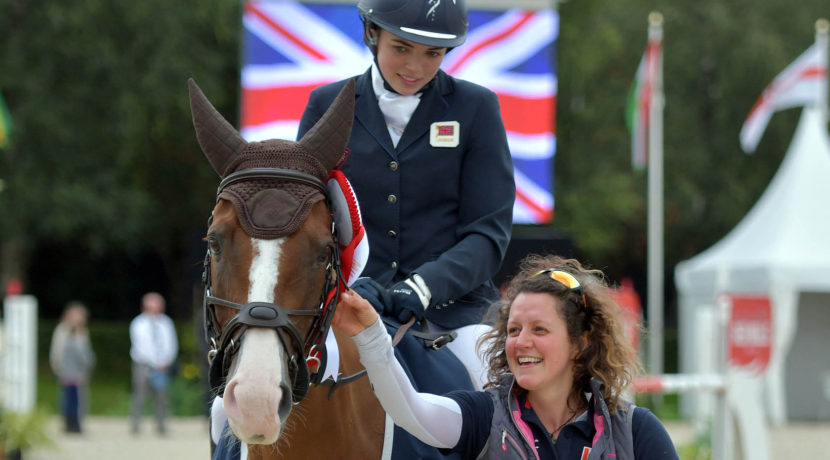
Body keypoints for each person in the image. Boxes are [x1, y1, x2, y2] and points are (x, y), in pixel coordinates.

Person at [297, 0, 515, 387]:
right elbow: (307, 221)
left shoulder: (477, 108)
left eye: (432, 54)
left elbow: (487, 233)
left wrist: (423, 285)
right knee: (244, 403)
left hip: (454, 312)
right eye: (401, 48)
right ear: (371, 34)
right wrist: (344, 286)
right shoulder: (327, 105)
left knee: (493, 400)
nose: (415, 67)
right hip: (348, 304)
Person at [333, 254, 680, 459]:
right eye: (514, 331)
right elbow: (412, 411)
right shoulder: (485, 415)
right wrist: (369, 335)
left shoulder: (636, 431)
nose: (521, 342)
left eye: (539, 330)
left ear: (581, 343)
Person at [129, 291, 178, 436]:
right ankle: (135, 425)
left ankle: (161, 425)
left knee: (162, 396)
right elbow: (141, 345)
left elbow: (171, 343)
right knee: (139, 395)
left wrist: (166, 360)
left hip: (163, 366)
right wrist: (155, 362)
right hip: (143, 364)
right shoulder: (138, 323)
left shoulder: (166, 322)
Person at [49, 301, 95, 433]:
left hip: (79, 372)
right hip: (66, 371)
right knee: (67, 399)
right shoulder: (62, 330)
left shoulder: (82, 332)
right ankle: (68, 423)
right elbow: (57, 352)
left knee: (80, 399)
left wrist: (87, 369)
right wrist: (58, 368)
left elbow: (86, 354)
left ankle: (78, 423)